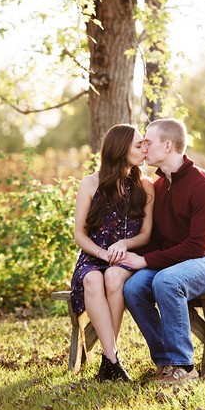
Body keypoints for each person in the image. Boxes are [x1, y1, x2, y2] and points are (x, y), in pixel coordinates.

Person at [121, 118, 205, 384]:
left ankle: (183, 366)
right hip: (172, 263)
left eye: (148, 142)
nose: (144, 148)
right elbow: (156, 239)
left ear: (168, 145)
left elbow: (198, 246)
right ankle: (165, 363)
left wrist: (146, 260)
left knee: (167, 280)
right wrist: (128, 258)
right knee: (134, 287)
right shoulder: (158, 187)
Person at [71, 123, 154, 382]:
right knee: (93, 278)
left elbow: (146, 235)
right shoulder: (90, 183)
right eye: (139, 145)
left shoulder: (145, 185)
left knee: (114, 277)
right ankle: (113, 360)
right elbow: (79, 235)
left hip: (124, 258)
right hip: (94, 256)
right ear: (120, 150)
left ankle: (109, 363)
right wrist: (103, 254)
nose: (145, 149)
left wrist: (124, 245)